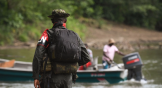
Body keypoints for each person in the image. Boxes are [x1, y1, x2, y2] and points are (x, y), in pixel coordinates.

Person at [32, 9, 90, 88]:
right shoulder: (74, 35)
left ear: (52, 21)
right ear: (65, 20)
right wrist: (72, 65)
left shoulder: (47, 34)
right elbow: (86, 57)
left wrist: (36, 77)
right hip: (68, 79)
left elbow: (38, 55)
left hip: (51, 78)